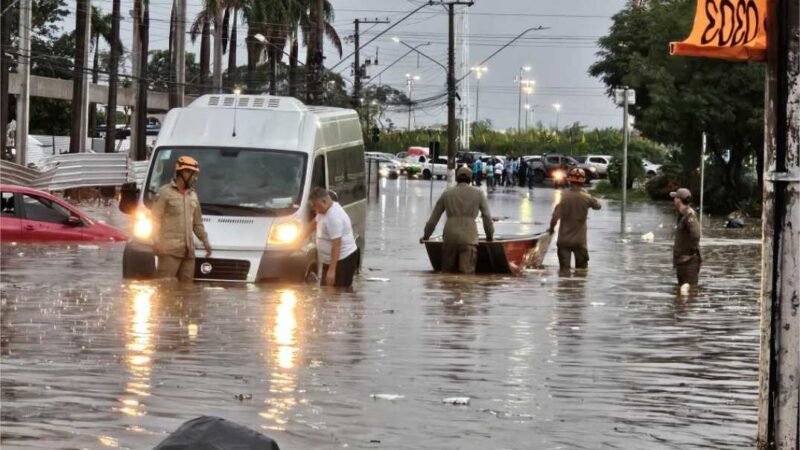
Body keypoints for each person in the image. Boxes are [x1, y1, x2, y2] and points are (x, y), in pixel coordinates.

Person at [420, 166, 494, 274]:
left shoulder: (447, 193)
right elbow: (487, 217)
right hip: (469, 238)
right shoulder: (479, 193)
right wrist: (489, 236)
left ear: (457, 178)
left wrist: (426, 236)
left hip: (449, 238)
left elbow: (433, 219)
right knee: (466, 277)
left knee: (446, 275)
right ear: (471, 179)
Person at [152, 156, 213, 281]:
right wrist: (156, 241)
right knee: (165, 287)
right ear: (184, 173)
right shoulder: (164, 193)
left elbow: (197, 223)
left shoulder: (193, 195)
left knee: (187, 289)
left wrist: (205, 241)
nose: (195, 178)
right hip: (169, 251)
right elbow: (155, 220)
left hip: (188, 253)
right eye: (193, 174)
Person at [303, 187, 359, 288]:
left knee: (339, 292)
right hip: (330, 261)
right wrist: (298, 238)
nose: (315, 209)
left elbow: (336, 245)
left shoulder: (333, 217)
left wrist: (332, 271)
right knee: (326, 290)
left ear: (324, 201)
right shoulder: (323, 210)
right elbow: (314, 223)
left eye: (316, 206)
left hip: (343, 260)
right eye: (313, 207)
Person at [548, 168, 601, 272]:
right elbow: (598, 206)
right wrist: (588, 195)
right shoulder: (586, 197)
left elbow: (555, 217)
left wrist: (551, 229)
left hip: (563, 240)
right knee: (581, 273)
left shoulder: (564, 196)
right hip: (580, 242)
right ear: (583, 182)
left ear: (569, 181)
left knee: (564, 272)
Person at [671, 187, 701, 287]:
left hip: (688, 262)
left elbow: (696, 234)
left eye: (675, 198)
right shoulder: (682, 215)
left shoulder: (689, 215)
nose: (673, 200)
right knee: (681, 292)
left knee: (690, 292)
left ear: (679, 200)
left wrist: (690, 253)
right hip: (682, 262)